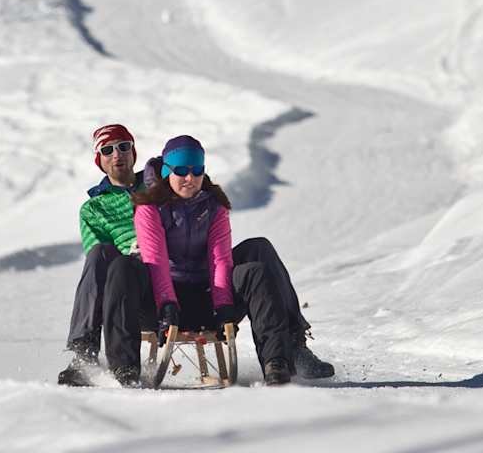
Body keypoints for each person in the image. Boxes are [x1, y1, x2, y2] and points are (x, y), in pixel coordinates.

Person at [57, 123, 333, 386]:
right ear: (99, 159)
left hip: (194, 268)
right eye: (107, 150)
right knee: (101, 256)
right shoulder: (94, 209)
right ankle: (84, 354)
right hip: (139, 275)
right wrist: (132, 259)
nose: (117, 154)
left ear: (134, 150)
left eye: (123, 146)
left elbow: (186, 172)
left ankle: (294, 345)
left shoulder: (161, 181)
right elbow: (101, 269)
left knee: (259, 248)